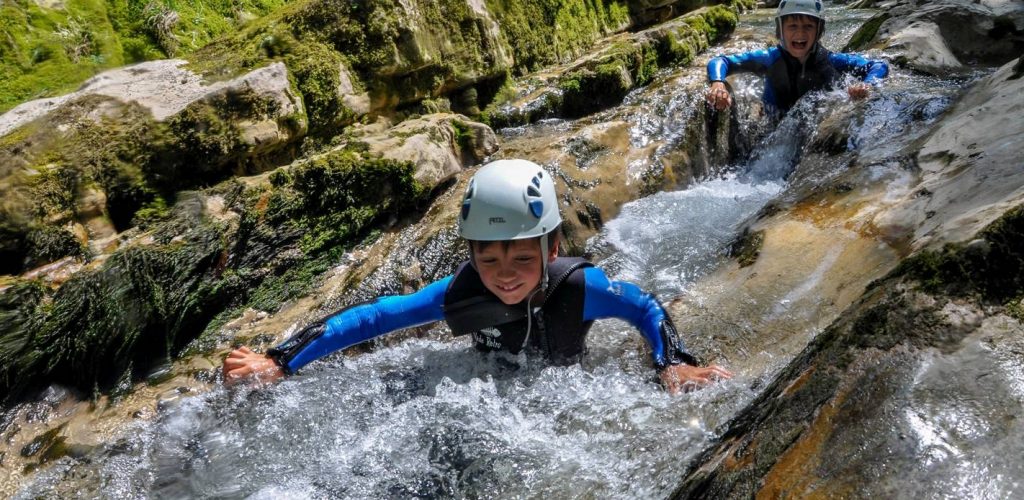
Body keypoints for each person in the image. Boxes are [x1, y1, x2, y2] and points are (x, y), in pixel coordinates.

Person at [223, 159, 732, 393]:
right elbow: (373, 319)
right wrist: (280, 360)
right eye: (488, 261)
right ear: (469, 255)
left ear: (552, 247)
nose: (505, 277)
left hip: (570, 379)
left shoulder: (581, 288)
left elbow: (643, 306)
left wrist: (673, 363)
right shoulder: (459, 292)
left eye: (522, 260)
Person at [705, 0, 889, 115]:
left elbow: (878, 65)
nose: (800, 33)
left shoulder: (830, 60)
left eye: (808, 26)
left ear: (819, 31)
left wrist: (867, 84)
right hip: (775, 126)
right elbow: (721, 61)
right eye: (792, 26)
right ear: (780, 30)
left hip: (817, 126)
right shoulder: (768, 58)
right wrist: (718, 82)